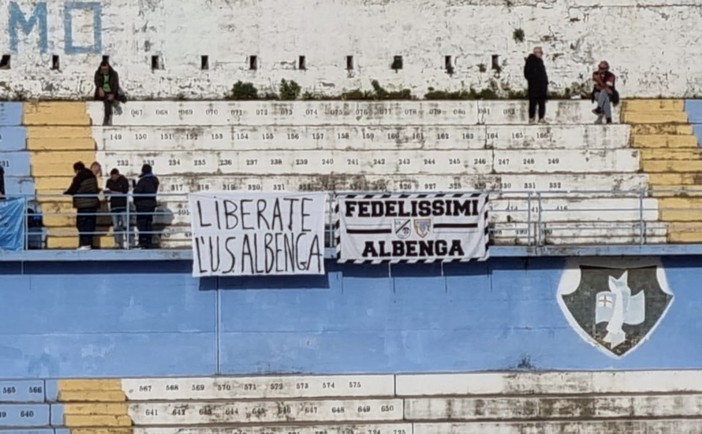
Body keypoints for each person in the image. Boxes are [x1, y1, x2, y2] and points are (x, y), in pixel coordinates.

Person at [64, 161, 99, 250]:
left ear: (76, 170)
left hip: (83, 204)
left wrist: (66, 192)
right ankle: (89, 244)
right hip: (93, 204)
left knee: (82, 224)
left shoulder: (79, 177)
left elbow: (73, 189)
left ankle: (85, 244)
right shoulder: (92, 176)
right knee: (90, 224)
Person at [133, 164, 159, 249]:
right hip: (151, 204)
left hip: (142, 205)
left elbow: (136, 193)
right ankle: (148, 241)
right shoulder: (155, 180)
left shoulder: (143, 181)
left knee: (142, 224)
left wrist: (135, 188)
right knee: (148, 223)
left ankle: (142, 242)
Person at [105, 168, 131, 249]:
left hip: (123, 205)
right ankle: (117, 243)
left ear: (117, 175)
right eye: (111, 177)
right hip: (114, 206)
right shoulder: (109, 181)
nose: (113, 178)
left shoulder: (124, 180)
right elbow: (107, 192)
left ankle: (128, 242)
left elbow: (125, 192)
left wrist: (114, 192)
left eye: (114, 176)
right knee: (116, 226)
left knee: (125, 225)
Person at [524, 47, 548, 124]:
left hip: (539, 87)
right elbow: (527, 74)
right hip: (535, 86)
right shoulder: (531, 62)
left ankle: (539, 118)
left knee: (539, 103)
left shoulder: (539, 61)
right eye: (540, 52)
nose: (541, 54)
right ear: (536, 53)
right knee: (534, 103)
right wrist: (534, 80)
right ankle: (532, 118)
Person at [94, 61, 121, 126]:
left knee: (107, 101)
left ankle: (107, 118)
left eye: (106, 69)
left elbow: (116, 85)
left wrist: (113, 94)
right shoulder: (98, 73)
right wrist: (100, 88)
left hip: (110, 93)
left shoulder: (114, 74)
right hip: (101, 93)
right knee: (107, 99)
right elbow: (97, 81)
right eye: (103, 69)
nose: (104, 71)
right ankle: (113, 104)